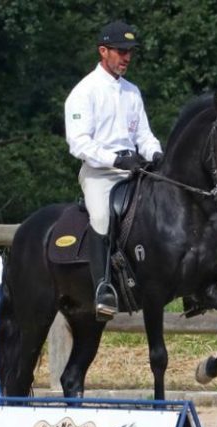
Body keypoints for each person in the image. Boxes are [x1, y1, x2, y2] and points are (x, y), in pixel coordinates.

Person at [64, 20, 163, 321]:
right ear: (103, 51)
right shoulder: (84, 92)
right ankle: (102, 287)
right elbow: (78, 143)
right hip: (99, 173)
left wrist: (156, 152)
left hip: (133, 170)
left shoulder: (132, 92)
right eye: (121, 51)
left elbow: (143, 135)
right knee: (102, 216)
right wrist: (115, 159)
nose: (126, 58)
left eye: (130, 52)